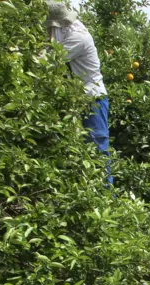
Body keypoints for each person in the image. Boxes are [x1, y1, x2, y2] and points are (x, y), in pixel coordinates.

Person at [44, 1, 113, 184]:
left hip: (93, 100)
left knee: (97, 150)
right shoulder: (69, 32)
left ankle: (109, 202)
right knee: (80, 152)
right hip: (79, 100)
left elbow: (50, 60)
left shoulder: (78, 37)